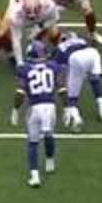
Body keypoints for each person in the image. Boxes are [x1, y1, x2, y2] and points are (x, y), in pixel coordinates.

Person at [11, 42, 60, 188]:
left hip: (35, 108)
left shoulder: (24, 70)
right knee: (49, 134)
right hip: (50, 107)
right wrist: (69, 107)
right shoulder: (53, 67)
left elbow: (20, 92)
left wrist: (15, 110)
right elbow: (61, 85)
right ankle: (50, 161)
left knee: (32, 142)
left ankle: (35, 176)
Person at [55, 31, 102, 128]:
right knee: (95, 80)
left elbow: (61, 69)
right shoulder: (81, 40)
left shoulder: (61, 47)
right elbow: (95, 43)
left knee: (72, 94)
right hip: (92, 53)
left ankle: (76, 117)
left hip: (75, 59)